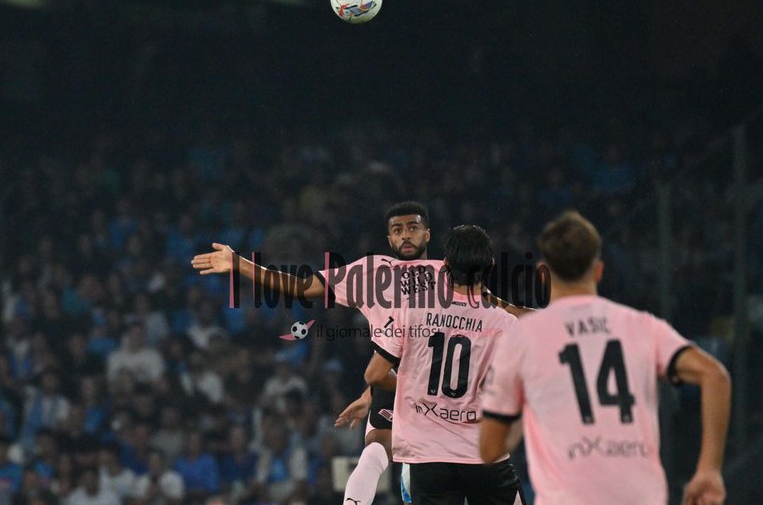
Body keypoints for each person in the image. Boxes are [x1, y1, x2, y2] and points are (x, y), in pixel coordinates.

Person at [192, 202, 525, 505]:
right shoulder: (370, 273)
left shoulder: (449, 272)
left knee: (410, 457)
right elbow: (302, 287)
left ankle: (412, 472)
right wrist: (240, 264)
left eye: (412, 227)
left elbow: (498, 309)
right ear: (389, 238)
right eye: (397, 230)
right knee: (377, 447)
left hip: (416, 382)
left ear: (427, 234)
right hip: (394, 375)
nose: (405, 235)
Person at [479, 211, 731, 505]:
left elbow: (490, 448)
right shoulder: (641, 325)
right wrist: (709, 469)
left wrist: (524, 413)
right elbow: (715, 375)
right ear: (598, 270)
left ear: (542, 272)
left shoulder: (525, 336)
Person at [364, 225, 525, 504]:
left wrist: (414, 387)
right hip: (482, 452)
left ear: (446, 265)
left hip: (428, 457)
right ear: (490, 266)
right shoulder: (505, 324)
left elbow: (375, 375)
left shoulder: (412, 307)